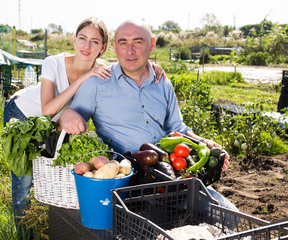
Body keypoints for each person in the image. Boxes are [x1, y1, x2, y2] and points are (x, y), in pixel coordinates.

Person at [3, 17, 166, 238]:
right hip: (23, 113)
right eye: (82, 38)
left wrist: (151, 66)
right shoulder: (54, 62)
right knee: (23, 180)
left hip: (55, 123)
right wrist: (85, 78)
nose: (86, 46)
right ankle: (23, 235)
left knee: (47, 171)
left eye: (94, 41)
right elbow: (47, 110)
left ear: (103, 47)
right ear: (74, 39)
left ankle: (47, 223)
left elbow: (129, 65)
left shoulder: (102, 70)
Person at [58, 19, 237, 211]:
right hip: (128, 182)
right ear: (115, 48)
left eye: (138, 42)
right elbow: (68, 122)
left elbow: (177, 128)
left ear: (152, 44)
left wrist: (204, 142)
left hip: (171, 174)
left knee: (228, 214)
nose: (130, 50)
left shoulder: (163, 83)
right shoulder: (97, 83)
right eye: (123, 43)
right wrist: (65, 116)